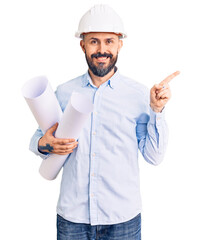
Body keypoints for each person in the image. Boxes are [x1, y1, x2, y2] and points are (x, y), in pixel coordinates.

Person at [29, 4, 180, 240]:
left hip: (122, 221)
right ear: (83, 45)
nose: (102, 49)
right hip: (73, 219)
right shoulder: (64, 92)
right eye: (94, 41)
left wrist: (157, 110)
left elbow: (154, 156)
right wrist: (44, 144)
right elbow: (37, 139)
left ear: (120, 44)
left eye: (109, 41)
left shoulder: (139, 95)